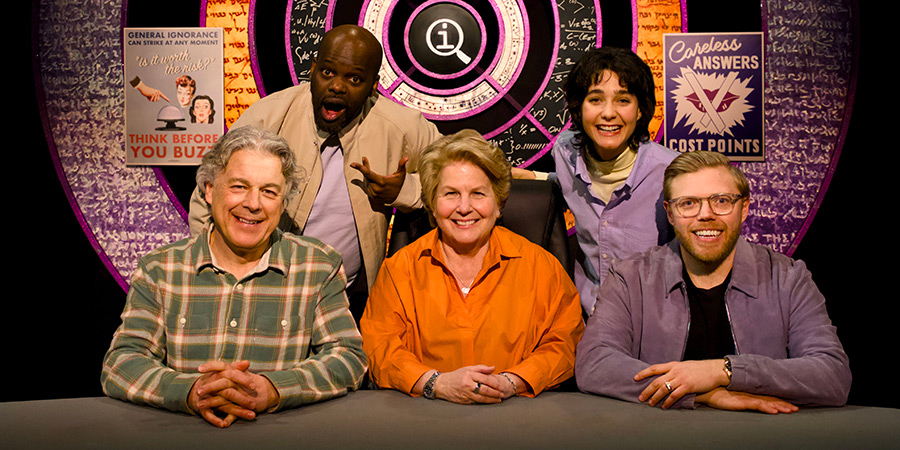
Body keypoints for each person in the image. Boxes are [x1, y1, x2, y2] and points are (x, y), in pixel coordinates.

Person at [102, 126, 367, 428]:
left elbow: (348, 358)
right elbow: (121, 363)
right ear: (209, 190)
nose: (253, 203)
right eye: (239, 186)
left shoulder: (318, 266)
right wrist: (192, 392)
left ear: (283, 204)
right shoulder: (161, 268)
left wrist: (275, 389)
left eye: (269, 191)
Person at [188, 25, 440, 321]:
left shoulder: (401, 126)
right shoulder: (268, 116)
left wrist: (405, 191)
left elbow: (461, 177)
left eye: (354, 78)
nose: (336, 86)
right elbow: (208, 195)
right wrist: (214, 278)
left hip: (345, 302)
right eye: (327, 73)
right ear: (313, 70)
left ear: (374, 85)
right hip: (256, 293)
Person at [575, 151, 851, 413]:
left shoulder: (788, 278)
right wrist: (701, 393)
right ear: (670, 215)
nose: (705, 214)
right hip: (657, 437)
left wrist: (723, 371)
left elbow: (832, 375)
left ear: (743, 208)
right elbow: (594, 364)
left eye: (721, 201)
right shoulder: (630, 277)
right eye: (689, 203)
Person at [360, 130, 584, 404]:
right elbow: (380, 347)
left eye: (478, 193)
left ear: (498, 204)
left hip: (519, 415)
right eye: (451, 194)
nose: (464, 208)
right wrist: (437, 383)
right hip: (424, 415)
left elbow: (566, 343)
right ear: (432, 203)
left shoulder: (542, 266)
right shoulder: (399, 269)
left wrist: (510, 383)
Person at [516, 47, 677, 315]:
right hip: (588, 315)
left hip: (652, 318)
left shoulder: (670, 172)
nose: (608, 113)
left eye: (623, 100)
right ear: (579, 108)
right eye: (595, 100)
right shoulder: (565, 152)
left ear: (640, 111)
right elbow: (576, 184)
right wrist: (537, 177)